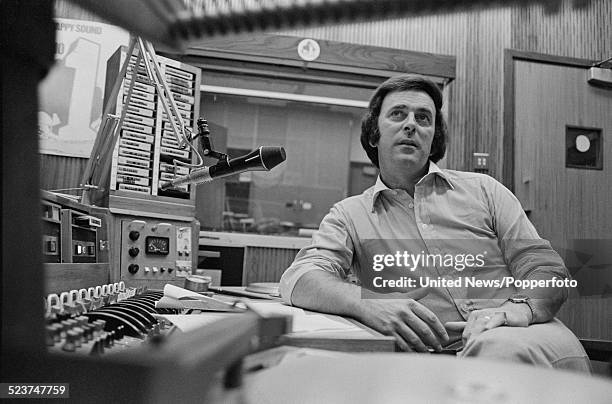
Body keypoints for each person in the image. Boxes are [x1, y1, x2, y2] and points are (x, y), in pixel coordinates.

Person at [279, 74, 590, 372]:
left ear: (433, 137)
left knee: (498, 349)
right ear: (374, 133)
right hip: (424, 360)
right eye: (398, 114)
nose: (411, 124)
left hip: (519, 336)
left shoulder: (485, 190)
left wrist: (514, 311)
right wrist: (368, 304)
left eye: (423, 118)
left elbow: (548, 271)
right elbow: (301, 278)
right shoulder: (348, 215)